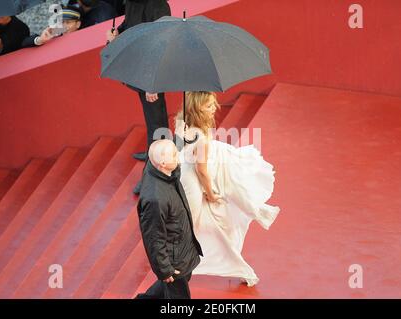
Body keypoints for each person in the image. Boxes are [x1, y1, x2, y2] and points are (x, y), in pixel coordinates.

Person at [175, 92, 281, 287]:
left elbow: (185, 152)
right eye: (208, 106)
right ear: (198, 108)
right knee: (206, 228)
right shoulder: (202, 137)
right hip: (195, 185)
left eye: (213, 103)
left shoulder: (181, 121)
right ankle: (229, 265)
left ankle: (191, 263)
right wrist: (211, 193)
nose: (214, 108)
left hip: (186, 177)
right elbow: (202, 171)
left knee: (204, 227)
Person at [106, 0, 171, 171]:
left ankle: (159, 160)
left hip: (151, 72)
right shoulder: (133, 2)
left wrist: (153, 82)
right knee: (151, 115)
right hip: (139, 67)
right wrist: (117, 32)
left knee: (156, 116)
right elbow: (129, 23)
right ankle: (154, 149)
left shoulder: (157, 5)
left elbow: (162, 42)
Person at [136, 139, 203, 299]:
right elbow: (154, 237)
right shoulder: (155, 199)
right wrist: (165, 269)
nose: (178, 157)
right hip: (174, 261)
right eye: (174, 155)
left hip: (181, 249)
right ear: (163, 163)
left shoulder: (163, 172)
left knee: (167, 287)